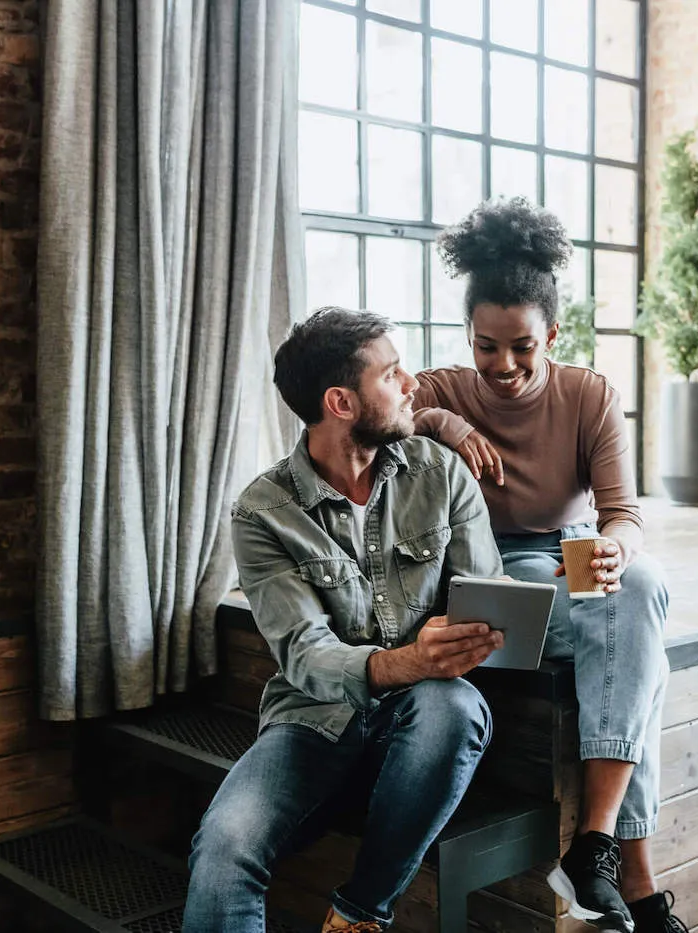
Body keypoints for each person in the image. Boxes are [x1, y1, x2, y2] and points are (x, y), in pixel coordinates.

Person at [184, 308, 506, 933]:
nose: (412, 383)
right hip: (314, 719)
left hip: (423, 716)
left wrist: (484, 629)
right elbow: (304, 654)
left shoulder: (439, 472)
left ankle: (358, 915)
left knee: (455, 706)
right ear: (341, 401)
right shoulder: (262, 512)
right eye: (391, 374)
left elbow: (486, 597)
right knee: (223, 847)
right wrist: (409, 659)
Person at [413, 198, 683, 933]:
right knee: (637, 654)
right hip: (491, 570)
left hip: (570, 556)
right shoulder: (441, 388)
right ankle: (637, 875)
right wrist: (445, 421)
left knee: (644, 585)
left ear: (552, 334)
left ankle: (591, 842)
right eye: (487, 346)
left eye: (522, 346)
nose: (503, 365)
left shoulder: (588, 394)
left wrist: (617, 545)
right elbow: (385, 418)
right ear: (468, 336)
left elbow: (624, 511)